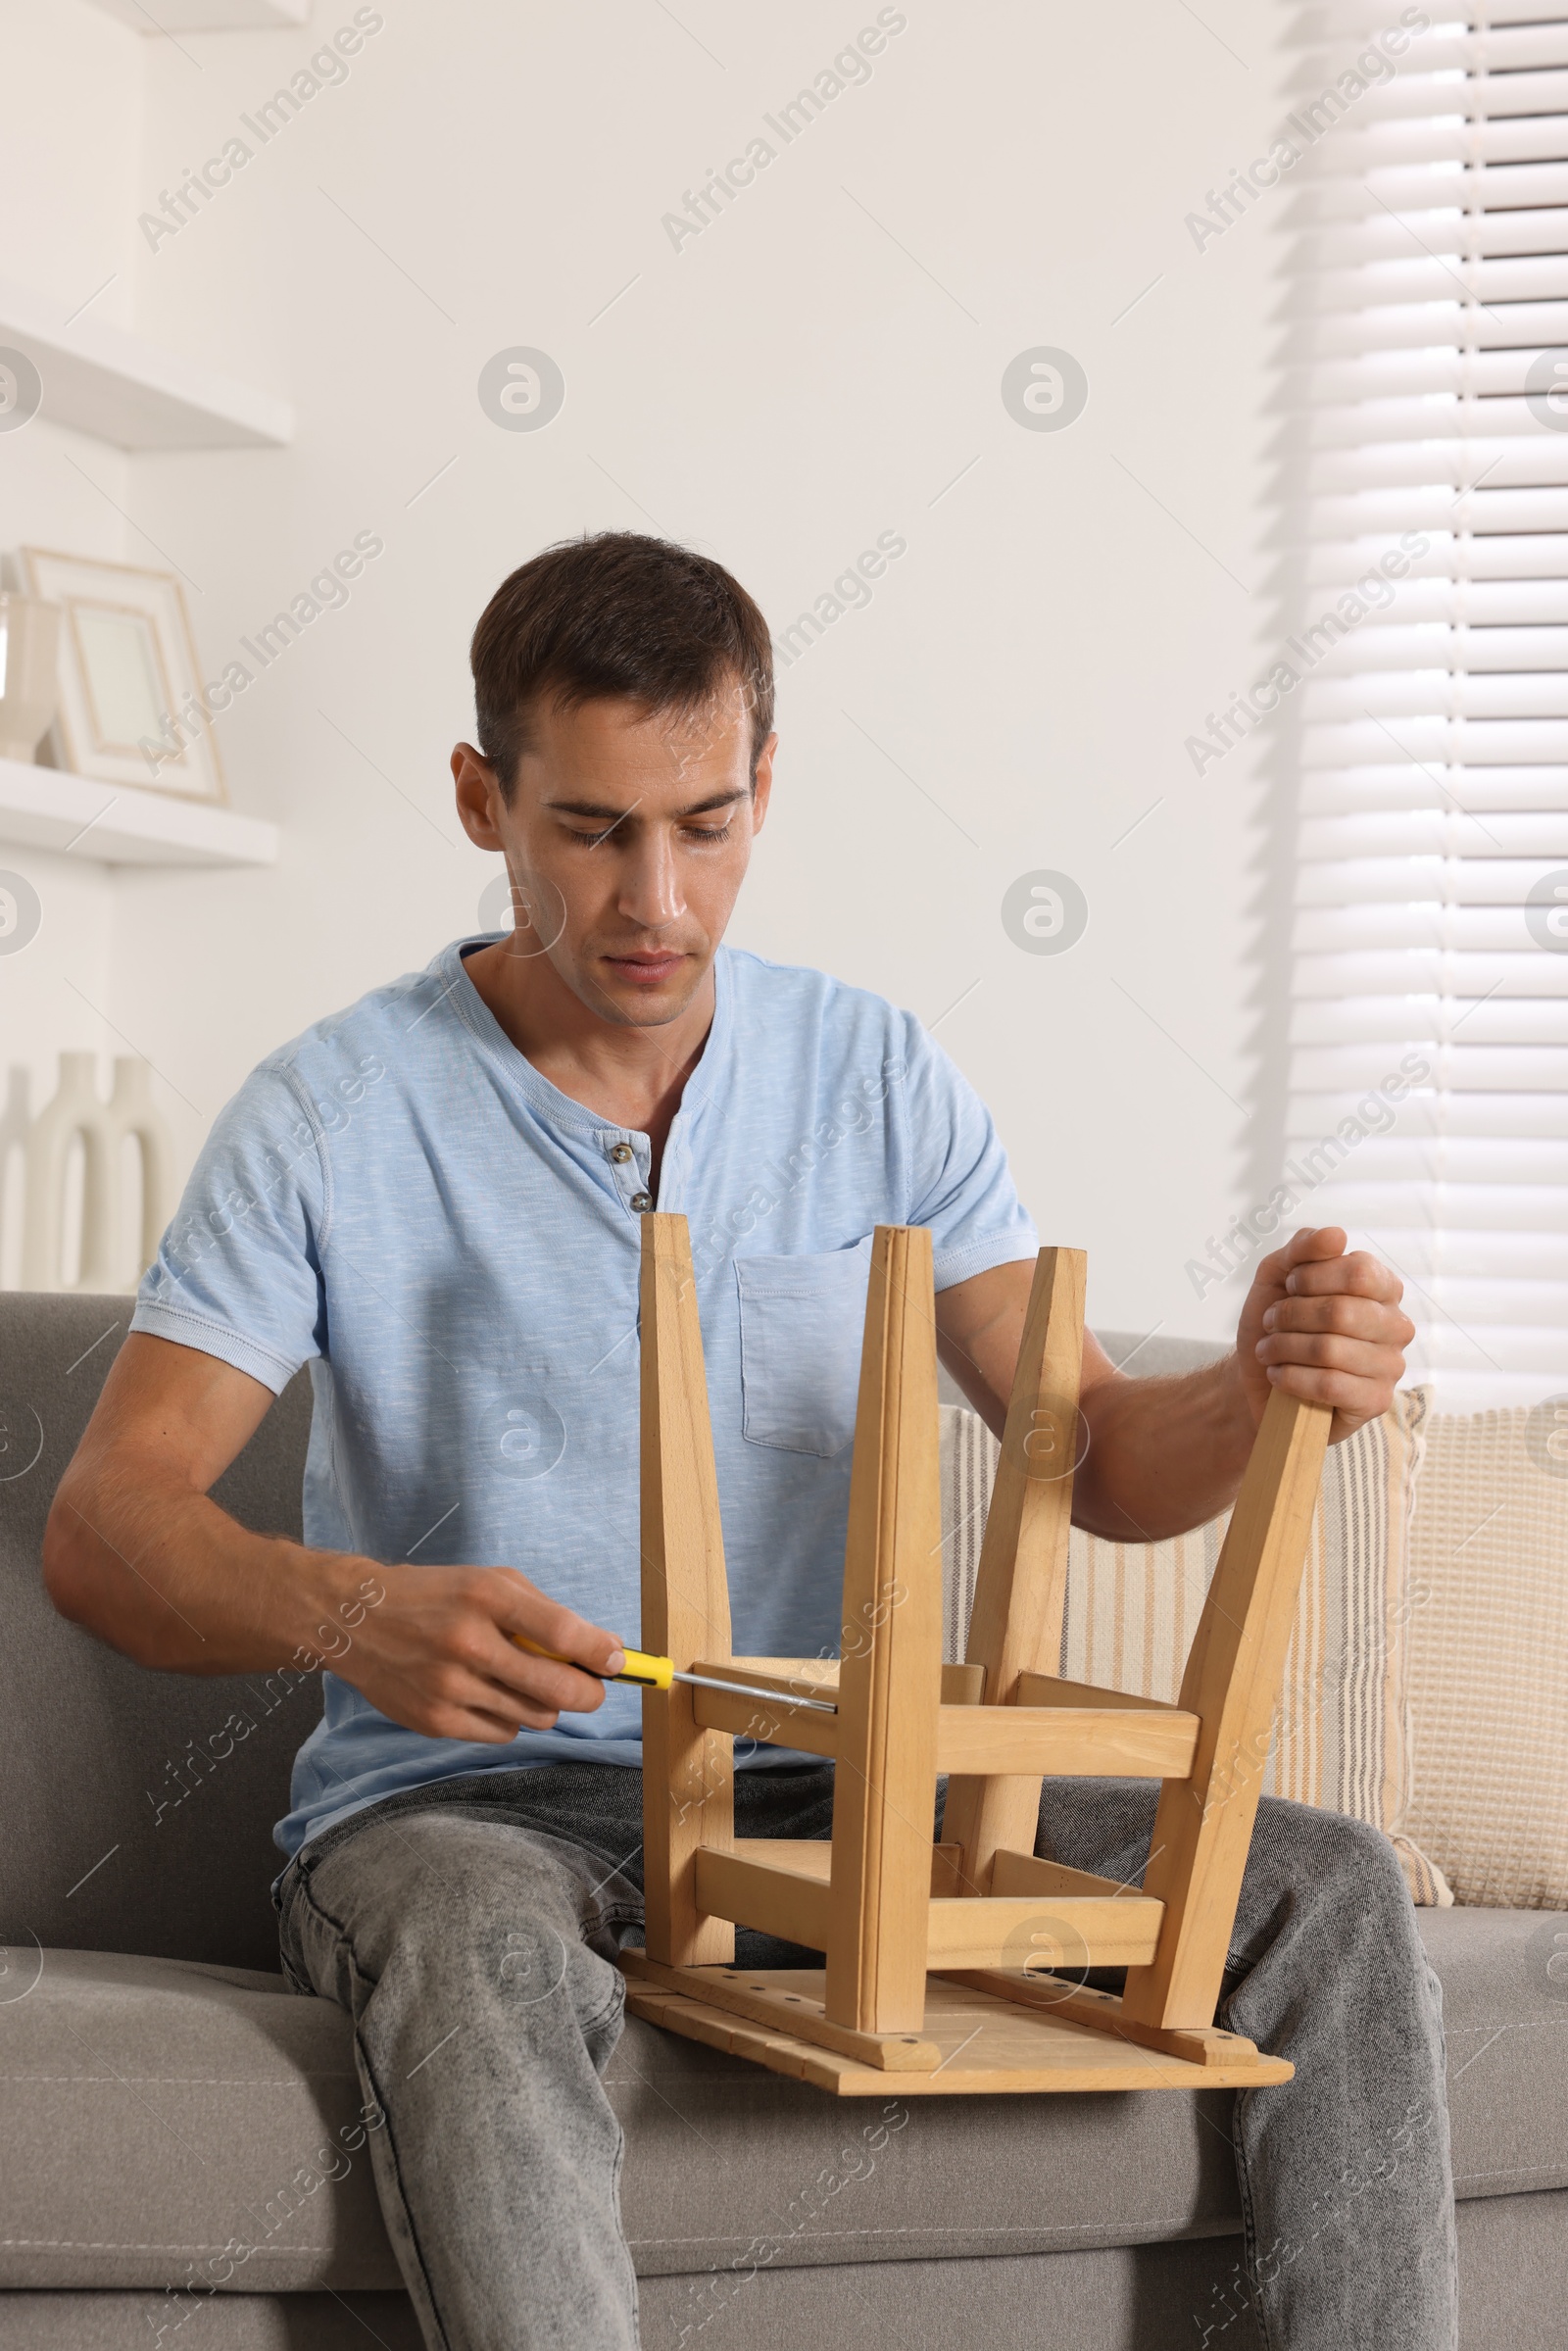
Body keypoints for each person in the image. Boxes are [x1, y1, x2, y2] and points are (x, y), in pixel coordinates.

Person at [43, 532, 1452, 2351]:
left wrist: (1259, 1382)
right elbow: (106, 1525)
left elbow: (1092, 1451)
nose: (658, 901)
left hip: (830, 1782)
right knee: (475, 1950)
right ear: (484, 799)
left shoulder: (877, 1075)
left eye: (706, 825)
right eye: (592, 831)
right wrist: (352, 1616)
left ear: (764, 787)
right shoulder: (331, 1106)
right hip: (468, 1809)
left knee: (1322, 1887)